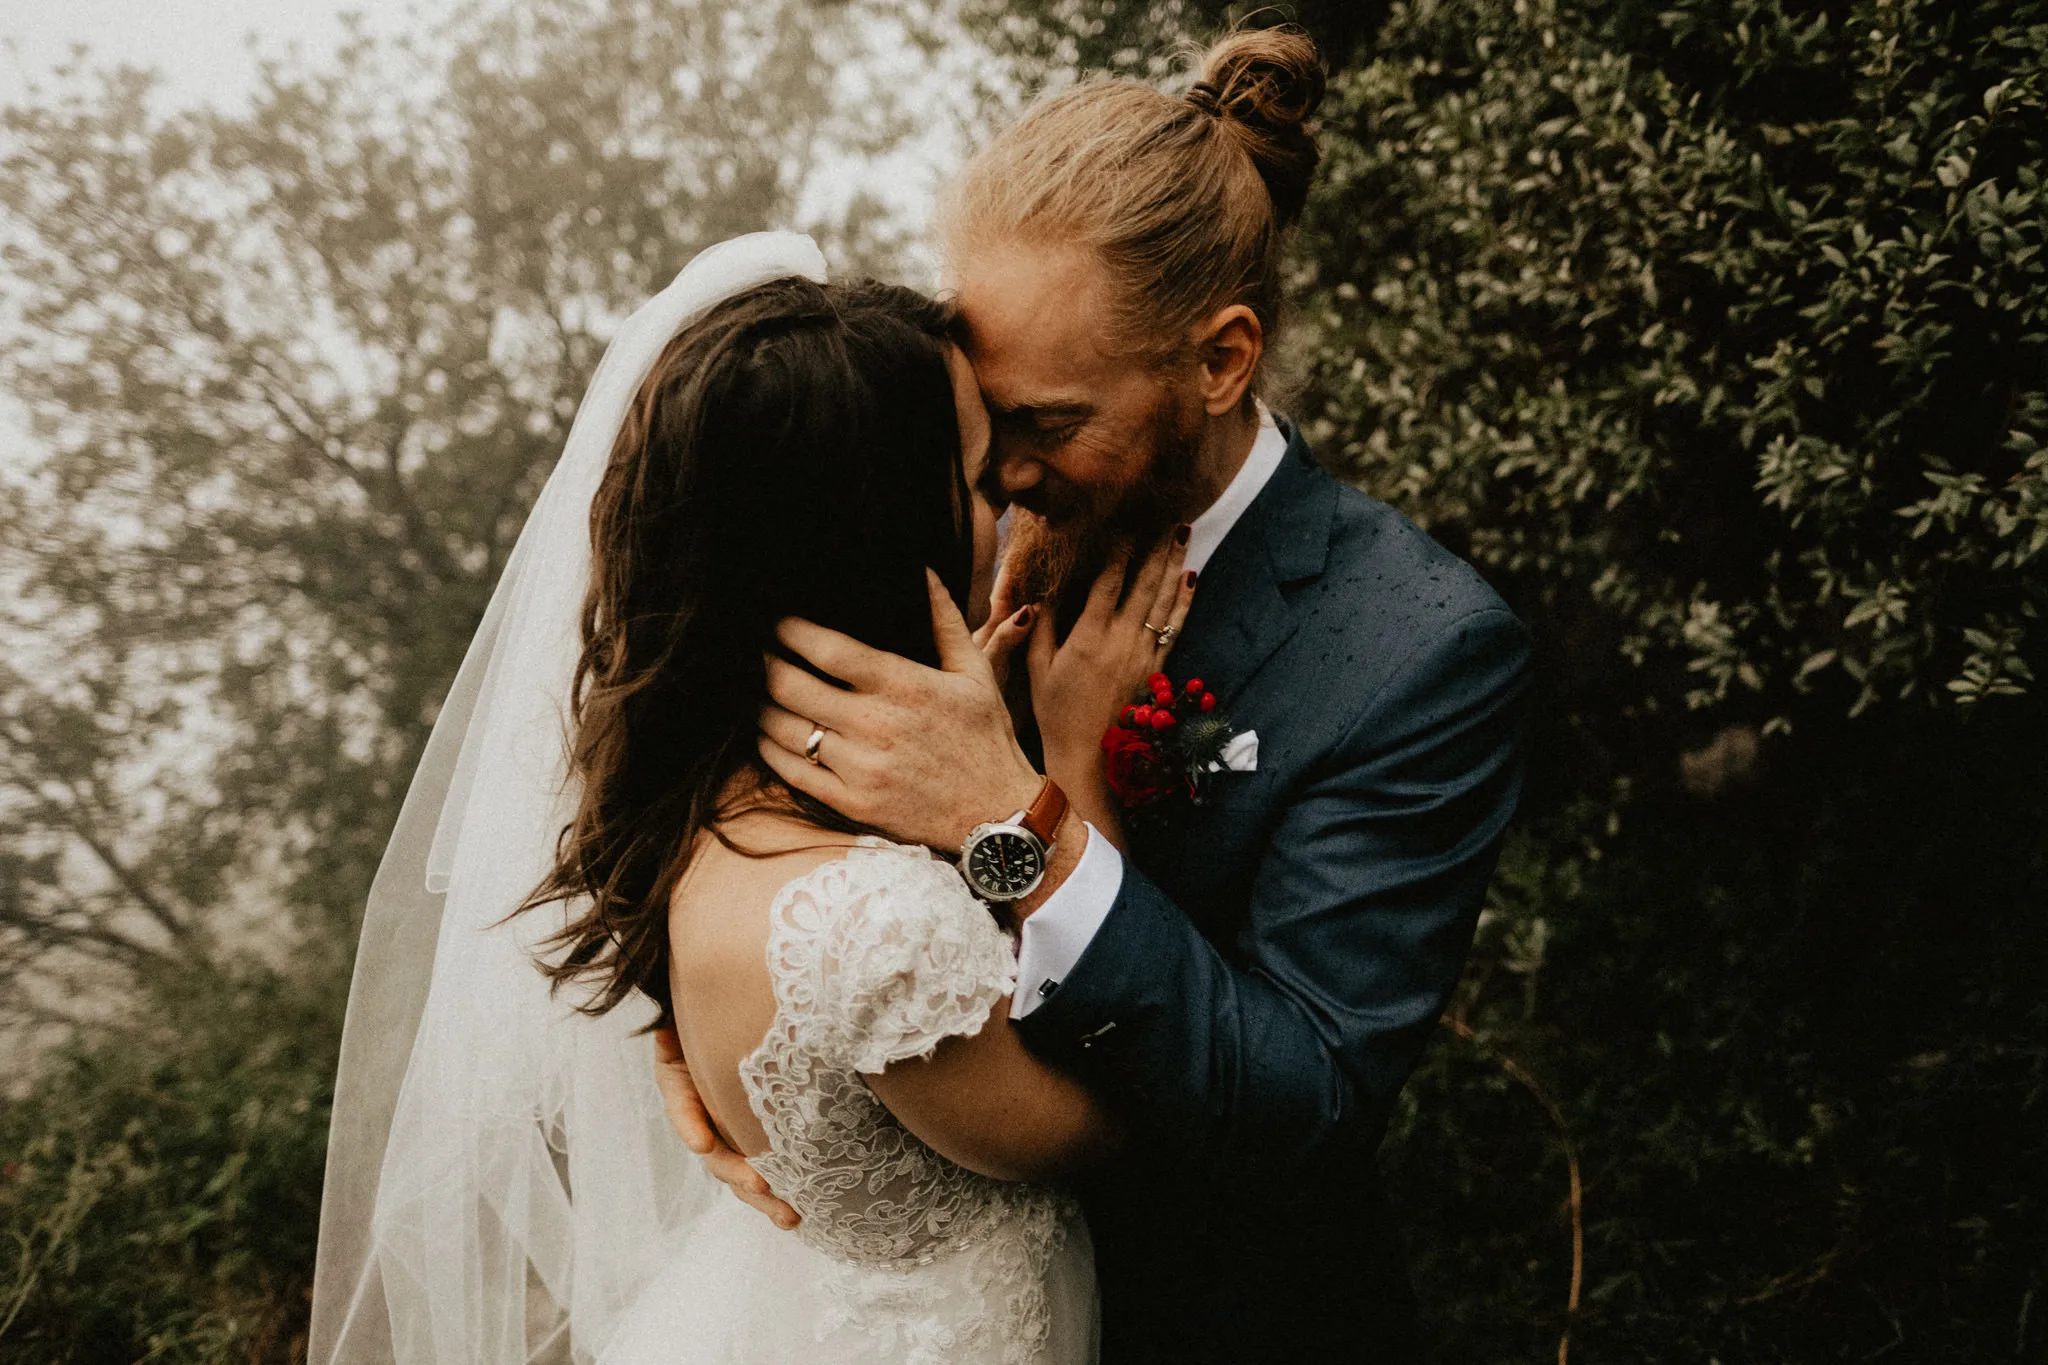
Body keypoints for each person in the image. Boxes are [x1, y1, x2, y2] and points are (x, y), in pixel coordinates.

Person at [660, 28, 1533, 1364]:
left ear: (1221, 360)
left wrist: (1027, 828)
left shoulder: (1416, 649)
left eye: (1049, 426)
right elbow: (745, 807)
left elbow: (1306, 1097)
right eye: (983, 423)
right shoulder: (956, 511)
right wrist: (715, 1047)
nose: (999, 484)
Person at [308, 233, 1191, 1363]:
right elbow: (1102, 1120)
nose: (1013, 503)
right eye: (976, 481)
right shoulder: (869, 926)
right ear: (874, 531)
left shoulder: (698, 813)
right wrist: (1062, 783)